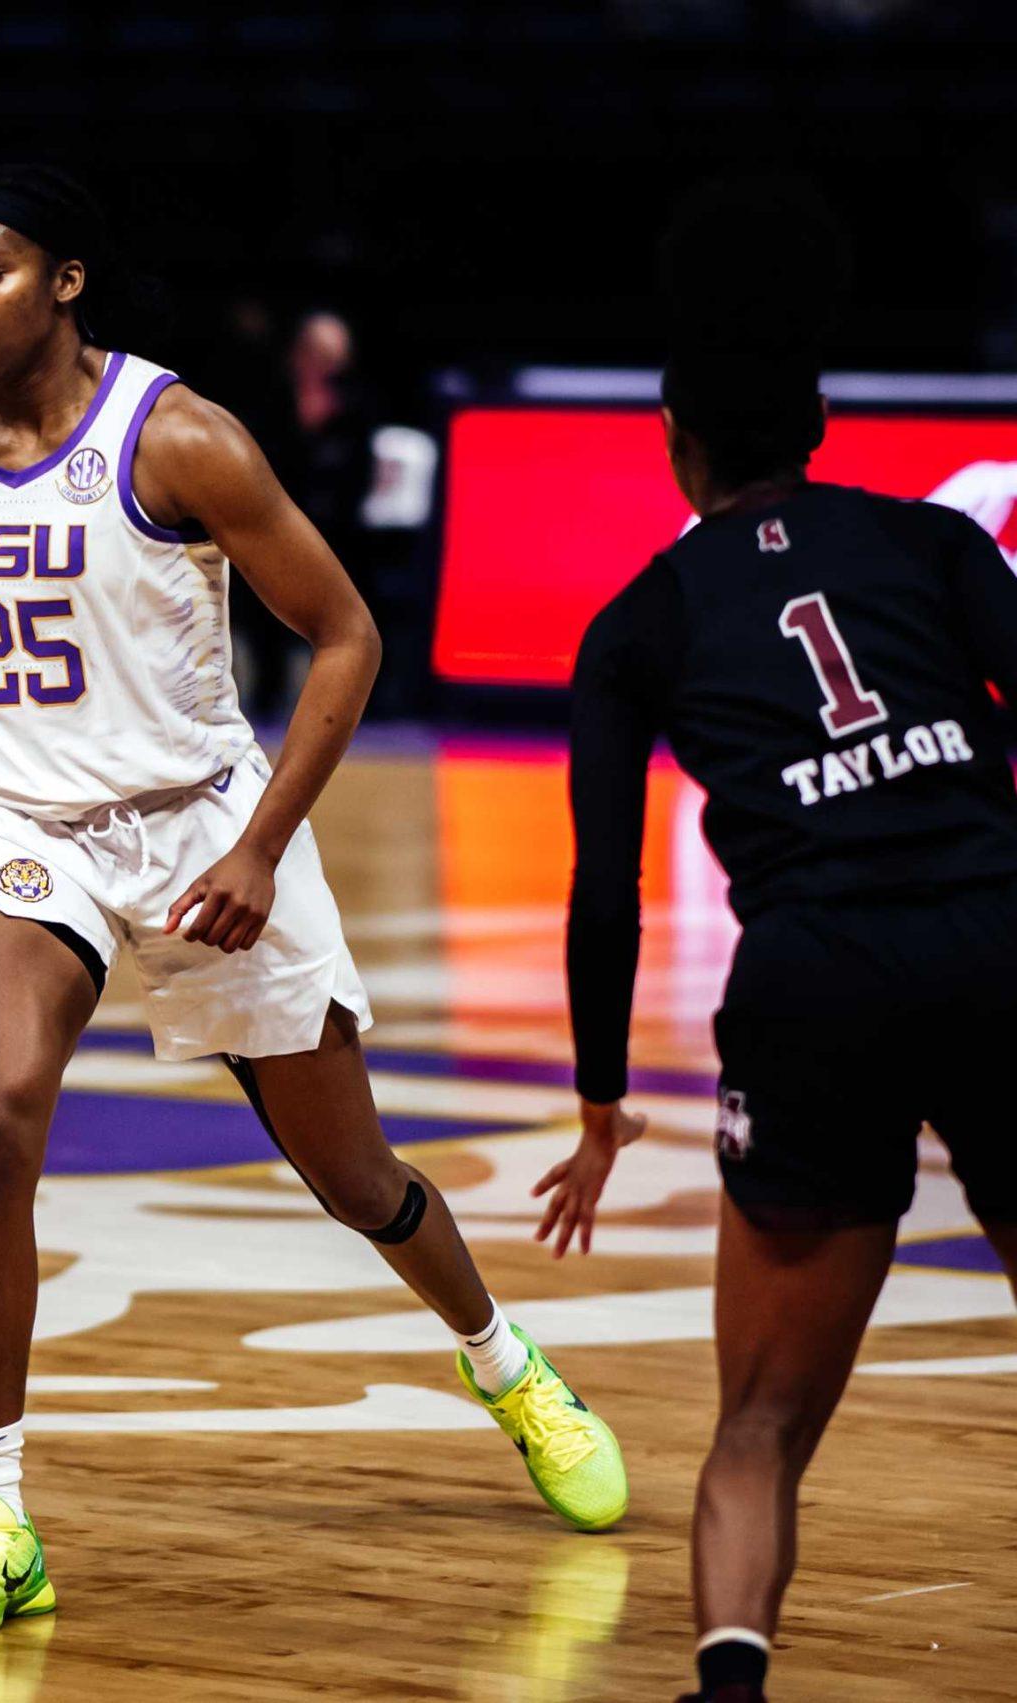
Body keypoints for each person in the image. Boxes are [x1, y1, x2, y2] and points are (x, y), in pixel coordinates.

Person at [0, 164, 629, 1639]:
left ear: (67, 281)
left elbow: (345, 638)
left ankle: (507, 1363)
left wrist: (262, 846)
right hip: (31, 833)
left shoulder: (181, 437)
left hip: (205, 827)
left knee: (354, 1177)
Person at [537, 180, 1017, 1703]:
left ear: (675, 446)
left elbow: (603, 890)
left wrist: (604, 1098)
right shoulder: (937, 551)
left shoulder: (639, 622)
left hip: (816, 985)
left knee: (757, 1419)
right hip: (996, 939)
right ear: (819, 426)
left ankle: (732, 1684)